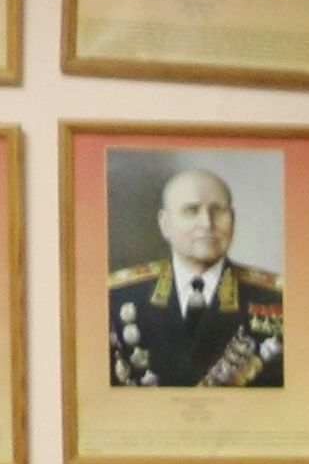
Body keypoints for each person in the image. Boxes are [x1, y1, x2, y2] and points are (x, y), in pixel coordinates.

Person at [103, 164, 282, 389]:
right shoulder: (117, 296)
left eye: (218, 210)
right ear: (165, 224)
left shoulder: (276, 298)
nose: (207, 223)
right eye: (191, 211)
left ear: (233, 219)